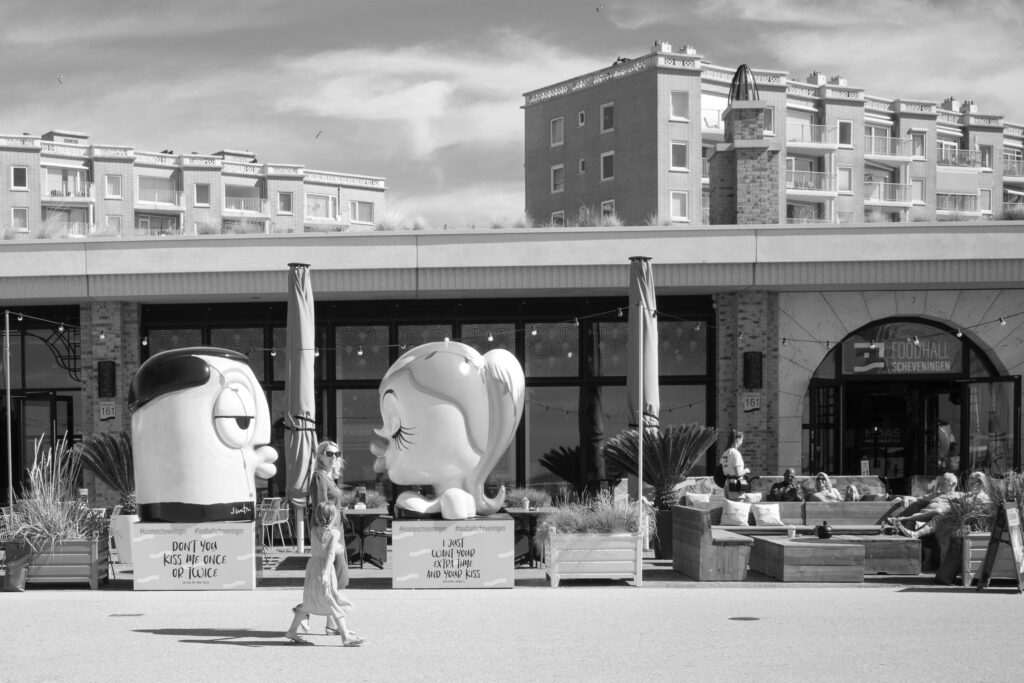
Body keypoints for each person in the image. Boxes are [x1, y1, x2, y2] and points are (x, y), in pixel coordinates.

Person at [285, 502, 362, 646]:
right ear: (334, 517)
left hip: (313, 567)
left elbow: (321, 546)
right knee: (331, 601)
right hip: (324, 569)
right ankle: (345, 636)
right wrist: (326, 573)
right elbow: (330, 554)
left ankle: (292, 631)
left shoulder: (314, 530)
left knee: (309, 601)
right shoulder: (335, 533)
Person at [297, 440, 350, 635]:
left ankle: (330, 624)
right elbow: (321, 509)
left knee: (336, 576)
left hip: (335, 530)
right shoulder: (319, 477)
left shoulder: (328, 476)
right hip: (328, 533)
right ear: (319, 455)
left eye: (336, 454)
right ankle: (303, 611)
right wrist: (327, 538)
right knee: (329, 575)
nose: (333, 457)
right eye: (329, 453)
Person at [718, 429, 750, 500]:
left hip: (727, 483)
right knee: (737, 508)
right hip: (736, 485)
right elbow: (738, 473)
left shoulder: (725, 453)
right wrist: (746, 470)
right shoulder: (735, 453)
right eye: (741, 440)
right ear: (737, 440)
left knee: (729, 507)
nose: (742, 442)